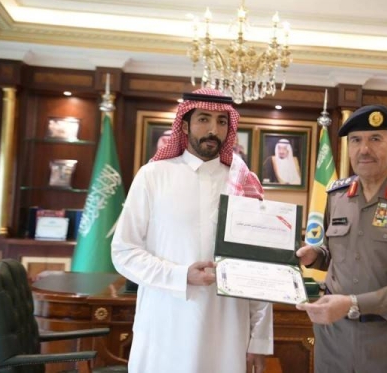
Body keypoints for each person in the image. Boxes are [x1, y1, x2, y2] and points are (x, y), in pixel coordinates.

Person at [111, 88, 273, 373]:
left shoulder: (243, 181)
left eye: (222, 122)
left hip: (226, 327)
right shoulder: (153, 176)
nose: (213, 129)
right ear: (184, 125)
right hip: (165, 323)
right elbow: (124, 252)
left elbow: (258, 264)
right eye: (204, 119)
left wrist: (258, 339)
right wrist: (181, 275)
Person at [295, 104, 387, 372]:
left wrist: (353, 304)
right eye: (356, 140)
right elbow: (335, 253)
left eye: (375, 139)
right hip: (334, 342)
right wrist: (316, 255)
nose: (364, 149)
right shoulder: (337, 195)